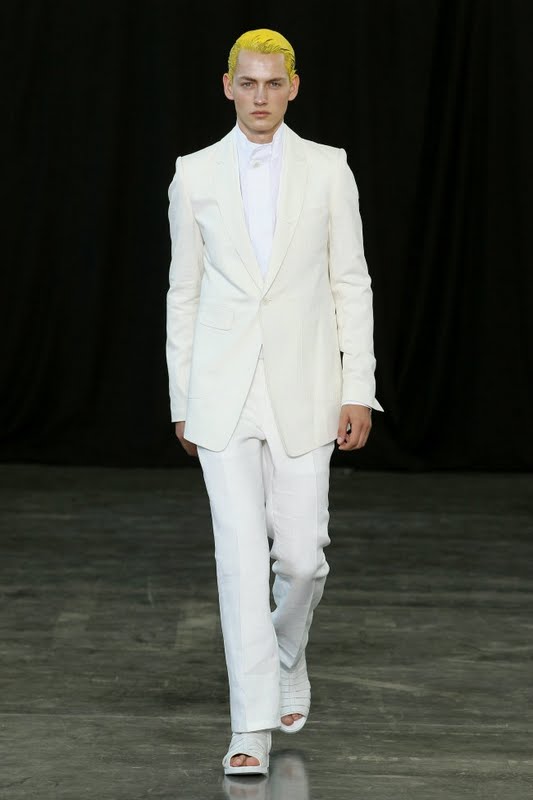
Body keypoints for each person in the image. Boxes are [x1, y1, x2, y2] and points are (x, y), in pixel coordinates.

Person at [166, 28, 383, 776]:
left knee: (302, 556)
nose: (260, 97)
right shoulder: (193, 174)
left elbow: (350, 282)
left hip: (305, 385)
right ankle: (249, 725)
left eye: (273, 83)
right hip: (222, 390)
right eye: (248, 83)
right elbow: (183, 291)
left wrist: (358, 387)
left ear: (293, 87)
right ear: (227, 85)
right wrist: (182, 396)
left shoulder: (329, 168)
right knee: (237, 558)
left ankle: (287, 653)